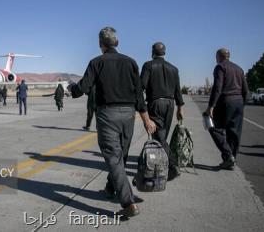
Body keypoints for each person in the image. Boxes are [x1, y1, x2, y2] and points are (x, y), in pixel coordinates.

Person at [68, 27, 156, 219]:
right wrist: (146, 119)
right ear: (116, 42)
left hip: (108, 116)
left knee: (114, 159)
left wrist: (71, 88)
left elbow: (83, 88)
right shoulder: (131, 62)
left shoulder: (96, 62)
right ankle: (110, 188)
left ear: (101, 44)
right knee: (121, 155)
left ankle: (128, 203)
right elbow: (139, 94)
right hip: (128, 116)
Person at [140, 42, 184, 180]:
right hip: (170, 104)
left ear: (153, 52)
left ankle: (172, 166)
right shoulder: (174, 69)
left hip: (156, 103)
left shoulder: (148, 65)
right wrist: (180, 108)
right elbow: (178, 90)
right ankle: (162, 165)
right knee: (162, 136)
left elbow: (141, 86)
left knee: (159, 138)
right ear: (164, 52)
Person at [205, 48, 248, 170]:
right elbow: (246, 90)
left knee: (214, 127)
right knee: (234, 132)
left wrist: (211, 106)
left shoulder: (220, 67)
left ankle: (228, 156)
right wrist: (242, 104)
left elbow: (217, 88)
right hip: (238, 102)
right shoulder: (239, 69)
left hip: (225, 102)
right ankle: (231, 160)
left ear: (219, 56)